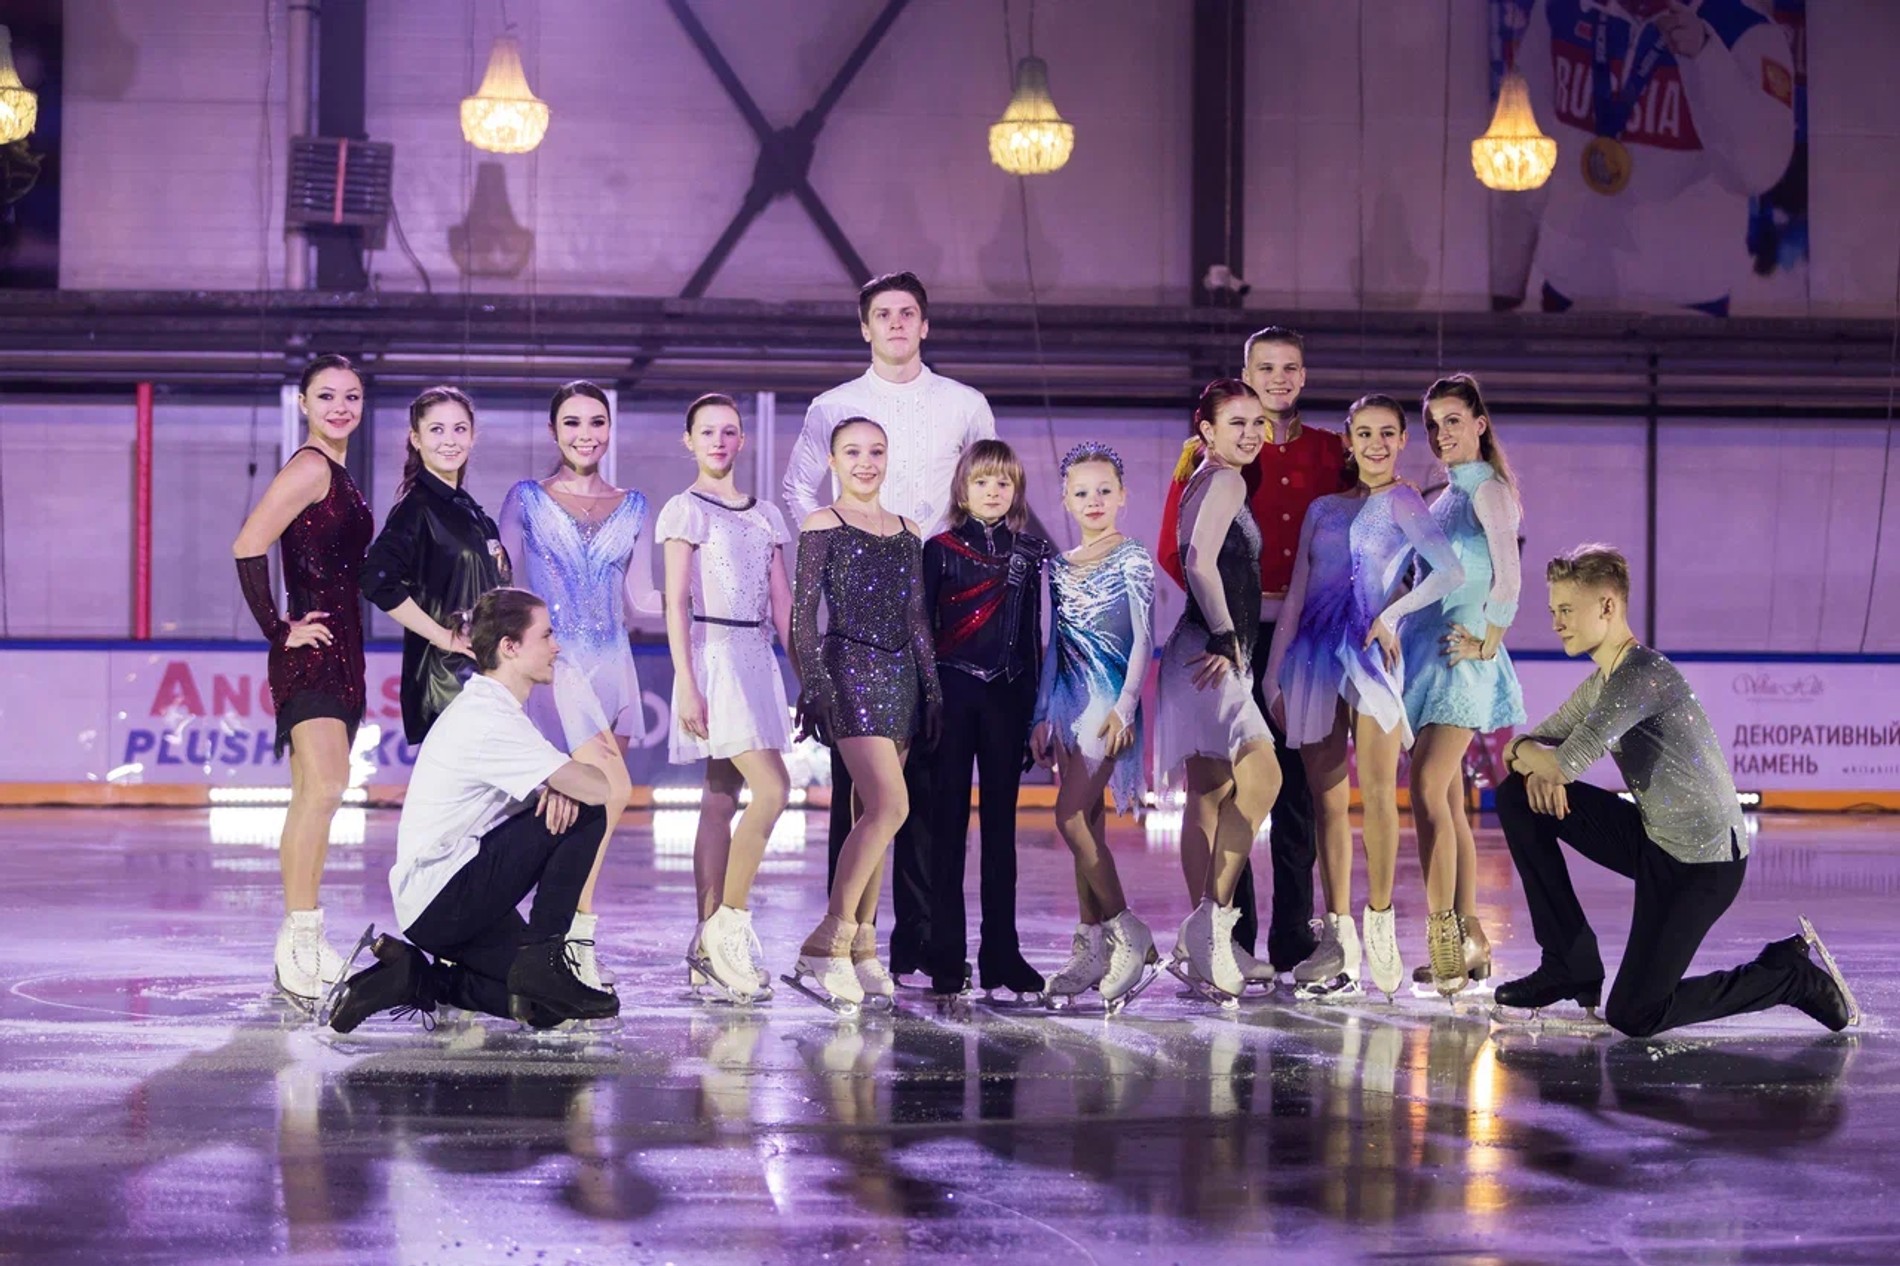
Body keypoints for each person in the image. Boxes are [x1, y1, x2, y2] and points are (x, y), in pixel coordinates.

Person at [1494, 544, 1857, 1036]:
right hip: (1656, 840)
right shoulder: (1602, 682)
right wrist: (1528, 759)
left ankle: (1787, 977)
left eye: (1566, 610)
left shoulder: (1641, 677)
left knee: (1635, 1013)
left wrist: (1540, 764)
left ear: (1607, 606)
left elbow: (1563, 763)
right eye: (1553, 611)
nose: (1556, 623)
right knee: (1518, 795)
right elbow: (1535, 744)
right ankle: (1567, 963)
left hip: (1702, 866)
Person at [780, 271, 995, 979]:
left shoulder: (965, 403)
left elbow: (986, 485)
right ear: (865, 326)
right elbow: (796, 486)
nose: (897, 323)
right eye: (883, 313)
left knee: (929, 789)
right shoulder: (833, 406)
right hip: (857, 610)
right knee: (872, 798)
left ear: (925, 324)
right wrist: (838, 545)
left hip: (943, 597)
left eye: (908, 312)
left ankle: (915, 946)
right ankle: (844, 937)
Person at [324, 588, 633, 1033]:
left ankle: (414, 979)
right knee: (587, 815)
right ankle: (543, 955)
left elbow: (580, 784)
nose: (556, 647)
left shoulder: (495, 707)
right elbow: (600, 788)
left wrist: (560, 783)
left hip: (436, 902)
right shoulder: (491, 719)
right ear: (510, 647)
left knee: (547, 1009)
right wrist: (564, 783)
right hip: (445, 895)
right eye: (546, 636)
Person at [1156, 326, 1350, 979]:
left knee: (1293, 791)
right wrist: (1222, 625)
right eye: (1265, 368)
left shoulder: (1330, 451)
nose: (1279, 378)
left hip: (1303, 637)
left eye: (1290, 367)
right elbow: (1178, 550)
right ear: (1246, 375)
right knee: (1224, 784)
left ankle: (1292, 936)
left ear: (1304, 375)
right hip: (1231, 634)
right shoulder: (1214, 456)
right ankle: (1226, 933)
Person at [1262, 394, 1464, 1000]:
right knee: (1326, 803)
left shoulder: (1404, 501)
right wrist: (1273, 675)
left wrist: (1392, 616)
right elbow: (1297, 595)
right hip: (1312, 658)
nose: (1376, 444)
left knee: (1377, 793)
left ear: (1402, 441)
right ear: (1347, 441)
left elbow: (1448, 571)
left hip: (1372, 657)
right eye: (1365, 433)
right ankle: (1339, 937)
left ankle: (1379, 921)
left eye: (1387, 433)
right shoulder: (1323, 509)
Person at [498, 380, 662, 987]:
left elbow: (642, 597)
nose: (585, 434)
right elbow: (501, 588)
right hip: (555, 667)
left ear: (610, 429)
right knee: (603, 791)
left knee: (584, 810)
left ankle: (557, 938)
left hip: (613, 666)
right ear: (553, 430)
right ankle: (569, 937)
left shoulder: (634, 505)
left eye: (596, 422)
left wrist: (710, 601)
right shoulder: (526, 498)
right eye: (572, 422)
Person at [1492, 0, 1798, 315]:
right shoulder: (1559, 8)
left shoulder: (1747, 29)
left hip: (1690, 303)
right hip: (1570, 287)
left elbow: (1756, 172)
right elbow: (1521, 150)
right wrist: (1505, 287)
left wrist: (1705, 56)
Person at [232, 353, 374, 1011]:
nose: (340, 407)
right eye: (327, 396)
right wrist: (277, 627)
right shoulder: (311, 467)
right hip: (312, 652)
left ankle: (303, 943)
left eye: (351, 396)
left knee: (316, 796)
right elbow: (248, 543)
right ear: (304, 403)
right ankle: (299, 945)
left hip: (342, 652)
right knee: (324, 789)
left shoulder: (338, 472)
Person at [787, 418, 943, 1014]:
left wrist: (932, 690)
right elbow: (803, 615)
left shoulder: (908, 530)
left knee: (872, 816)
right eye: (852, 452)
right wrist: (815, 684)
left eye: (875, 451)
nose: (865, 462)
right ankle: (825, 943)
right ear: (833, 461)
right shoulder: (821, 523)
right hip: (849, 671)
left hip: (901, 678)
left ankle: (862, 948)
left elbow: (916, 617)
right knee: (889, 806)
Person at [657, 393, 795, 1004]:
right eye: (707, 432)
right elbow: (675, 603)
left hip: (758, 659)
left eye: (729, 431)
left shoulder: (766, 515)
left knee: (720, 797)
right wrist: (686, 681)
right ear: (689, 440)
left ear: (742, 440)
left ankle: (705, 946)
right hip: (714, 658)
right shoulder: (684, 510)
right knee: (773, 790)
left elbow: (783, 604)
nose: (718, 441)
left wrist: (807, 676)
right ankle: (726, 931)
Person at [1154, 380, 1284, 1003]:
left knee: (1208, 795)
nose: (1251, 433)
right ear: (1206, 429)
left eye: (1258, 422)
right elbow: (1198, 562)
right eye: (1237, 423)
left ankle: (1208, 946)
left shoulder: (1204, 478)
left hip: (1198, 650)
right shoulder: (1226, 479)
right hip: (1210, 652)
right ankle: (1211, 927)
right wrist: (1228, 634)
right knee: (1264, 779)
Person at [1400, 374, 1528, 995]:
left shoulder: (1491, 492)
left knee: (1428, 788)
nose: (1440, 433)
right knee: (1447, 801)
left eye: (1452, 420)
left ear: (1479, 424)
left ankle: (1445, 942)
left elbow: (1510, 575)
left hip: (1461, 657)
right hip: (1427, 655)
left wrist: (1488, 641)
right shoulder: (1445, 497)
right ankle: (1470, 936)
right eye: (1432, 424)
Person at [1031, 443, 1160, 1013]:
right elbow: (1054, 644)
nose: (1094, 500)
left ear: (1123, 496)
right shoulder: (1058, 567)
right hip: (1067, 703)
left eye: (1105, 490)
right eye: (1082, 492)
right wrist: (1041, 712)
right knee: (1087, 823)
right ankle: (1091, 948)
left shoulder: (1132, 557)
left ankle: (1128, 929)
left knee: (1067, 816)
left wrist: (1126, 706)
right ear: (1065, 500)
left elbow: (1144, 638)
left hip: (1109, 703)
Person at [919, 439, 1050, 1001]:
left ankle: (1001, 955)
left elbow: (1033, 637)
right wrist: (926, 703)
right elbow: (922, 633)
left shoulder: (1029, 552)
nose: (993, 491)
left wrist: (1036, 714)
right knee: (946, 830)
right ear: (962, 489)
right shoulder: (938, 550)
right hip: (950, 702)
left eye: (1003, 482)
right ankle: (945, 954)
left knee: (1002, 834)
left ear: (1016, 490)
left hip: (1007, 702)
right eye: (982, 482)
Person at [360, 385, 510, 746]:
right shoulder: (417, 509)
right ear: (416, 438)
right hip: (446, 685)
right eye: (436, 429)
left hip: (482, 681)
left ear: (472, 437)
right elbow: (377, 579)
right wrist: (442, 636)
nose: (450, 441)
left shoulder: (470, 511)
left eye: (459, 429)